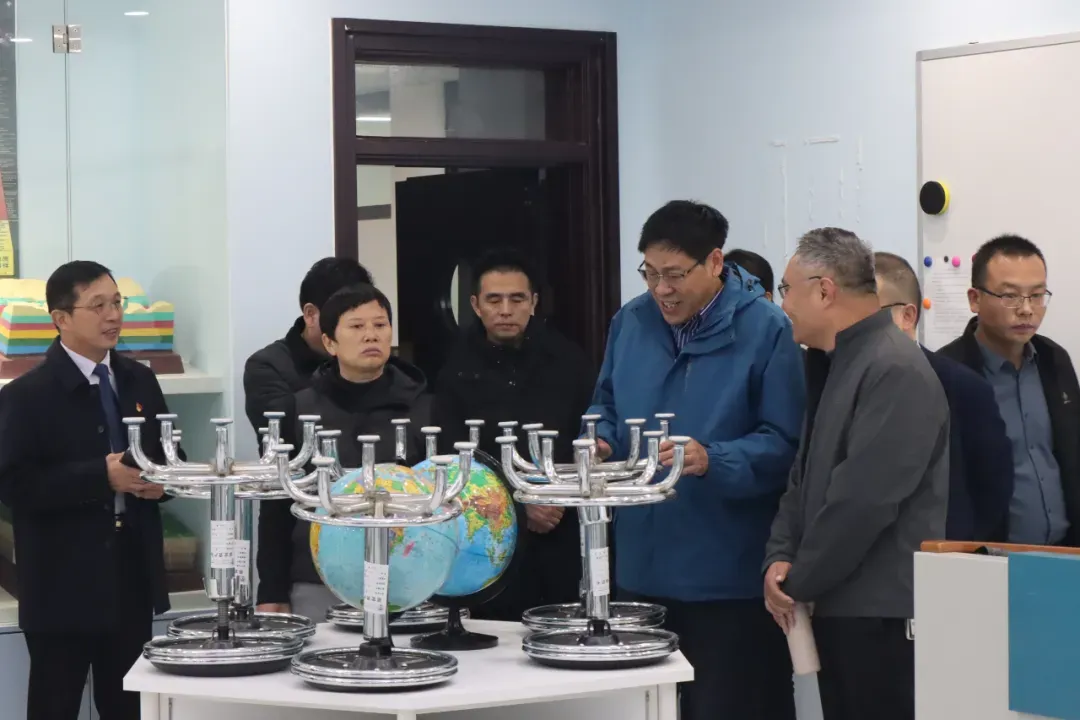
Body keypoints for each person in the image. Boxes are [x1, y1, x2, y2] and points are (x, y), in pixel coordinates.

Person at [586, 200, 805, 720]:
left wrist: (713, 458)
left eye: (675, 274)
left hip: (725, 580)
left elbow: (787, 444)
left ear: (714, 262)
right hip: (640, 572)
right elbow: (606, 405)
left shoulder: (767, 329)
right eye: (650, 273)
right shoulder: (630, 322)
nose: (661, 289)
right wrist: (600, 441)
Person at [764, 228, 949, 720]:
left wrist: (798, 581)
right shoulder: (833, 362)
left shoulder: (894, 368)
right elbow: (802, 478)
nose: (783, 304)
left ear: (825, 291)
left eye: (787, 289)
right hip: (839, 602)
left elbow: (862, 504)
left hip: (879, 615)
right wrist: (780, 556)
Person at [0, 261, 177, 720]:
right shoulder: (25, 395)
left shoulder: (140, 380)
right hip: (60, 584)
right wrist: (99, 476)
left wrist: (163, 484)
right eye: (97, 306)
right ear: (60, 318)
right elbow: (13, 485)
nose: (113, 315)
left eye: (117, 302)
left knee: (128, 707)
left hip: (130, 576)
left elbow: (169, 457)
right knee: (54, 706)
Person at [433, 248, 593, 620]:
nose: (505, 310)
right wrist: (521, 505)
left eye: (517, 299)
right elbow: (452, 459)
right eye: (494, 300)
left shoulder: (569, 362)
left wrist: (554, 499)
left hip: (562, 528)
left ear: (533, 302)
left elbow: (588, 438)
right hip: (487, 541)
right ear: (475, 305)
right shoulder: (454, 370)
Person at [255, 284, 432, 621]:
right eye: (356, 326)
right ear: (329, 343)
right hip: (317, 579)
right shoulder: (298, 409)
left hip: (409, 580)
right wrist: (271, 592)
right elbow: (276, 506)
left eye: (380, 325)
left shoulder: (424, 408)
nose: (371, 335)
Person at [245, 257, 372, 615]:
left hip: (380, 544)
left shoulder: (387, 374)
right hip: (305, 546)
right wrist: (271, 588)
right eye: (349, 320)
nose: (364, 334)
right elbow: (283, 469)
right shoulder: (268, 367)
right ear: (311, 314)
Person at [938, 235, 1080, 546]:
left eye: (1037, 295)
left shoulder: (1055, 360)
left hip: (1065, 553)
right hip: (987, 558)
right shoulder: (947, 374)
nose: (1027, 309)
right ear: (975, 299)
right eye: (1010, 296)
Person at [874, 251, 1013, 540]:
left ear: (907, 316)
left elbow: (993, 486)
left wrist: (956, 547)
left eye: (867, 316)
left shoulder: (961, 386)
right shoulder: (840, 380)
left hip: (943, 554)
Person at [243, 257, 373, 442]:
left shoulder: (374, 359)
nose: (363, 330)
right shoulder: (267, 366)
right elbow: (285, 436)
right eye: (344, 314)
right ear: (311, 315)